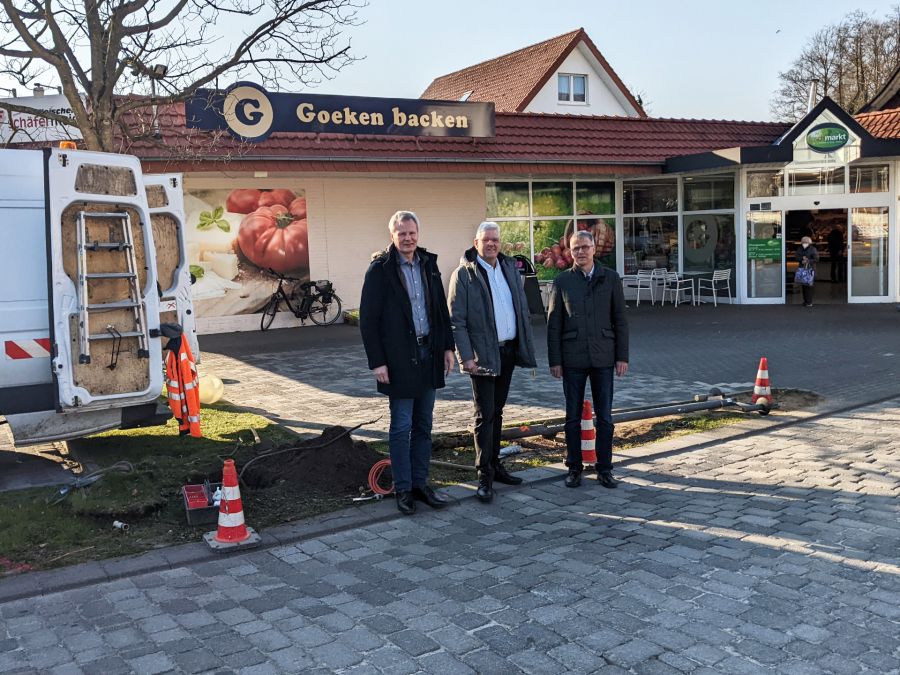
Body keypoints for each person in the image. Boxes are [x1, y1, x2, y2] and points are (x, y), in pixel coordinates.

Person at [360, 211, 456, 515]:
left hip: (428, 357)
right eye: (401, 233)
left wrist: (447, 348)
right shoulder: (380, 270)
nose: (408, 238)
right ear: (392, 235)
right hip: (398, 360)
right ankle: (403, 489)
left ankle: (420, 484)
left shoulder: (429, 265)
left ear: (418, 233)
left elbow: (440, 310)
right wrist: (377, 362)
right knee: (401, 427)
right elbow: (368, 320)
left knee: (424, 426)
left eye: (412, 233)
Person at [448, 222, 537, 503]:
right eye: (486, 240)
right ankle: (483, 474)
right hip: (482, 357)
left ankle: (496, 465)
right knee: (484, 416)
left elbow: (520, 310)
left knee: (497, 412)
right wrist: (467, 358)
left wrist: (524, 347)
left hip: (507, 352)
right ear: (475, 243)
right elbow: (456, 321)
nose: (491, 244)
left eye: (495, 240)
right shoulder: (464, 275)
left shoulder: (509, 268)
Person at [547, 230, 628, 489]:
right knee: (572, 417)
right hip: (572, 358)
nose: (580, 252)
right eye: (575, 248)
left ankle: (605, 468)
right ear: (570, 252)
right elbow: (553, 325)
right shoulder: (562, 281)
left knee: (604, 418)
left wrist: (621, 356)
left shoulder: (611, 279)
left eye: (584, 247)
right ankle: (574, 467)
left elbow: (621, 321)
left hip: (604, 356)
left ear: (594, 249)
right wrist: (555, 360)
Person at [795, 235, 819, 307]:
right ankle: (805, 301)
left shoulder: (813, 249)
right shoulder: (799, 249)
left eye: (806, 242)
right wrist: (801, 259)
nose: (804, 243)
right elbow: (796, 257)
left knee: (809, 286)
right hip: (802, 269)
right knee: (804, 285)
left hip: (810, 269)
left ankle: (809, 302)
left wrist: (808, 261)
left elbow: (816, 259)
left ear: (809, 242)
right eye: (803, 242)